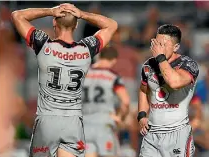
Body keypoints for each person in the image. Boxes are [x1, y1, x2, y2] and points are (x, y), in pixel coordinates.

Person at [11, 3, 118, 157]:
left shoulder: (44, 45)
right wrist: (82, 14)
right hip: (72, 122)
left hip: (47, 120)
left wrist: (50, 11)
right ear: (76, 25)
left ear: (54, 22)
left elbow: (17, 15)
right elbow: (111, 25)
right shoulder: (86, 49)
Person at [137, 24, 199, 157]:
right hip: (152, 134)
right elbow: (143, 90)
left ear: (176, 47)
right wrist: (142, 115)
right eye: (157, 42)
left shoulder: (188, 64)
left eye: (164, 44)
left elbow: (174, 82)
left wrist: (160, 58)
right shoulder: (148, 65)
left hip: (177, 133)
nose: (158, 47)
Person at [82, 46, 130, 157]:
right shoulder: (113, 76)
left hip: (84, 124)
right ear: (114, 60)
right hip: (104, 123)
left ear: (99, 57)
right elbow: (126, 101)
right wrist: (120, 117)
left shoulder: (83, 74)